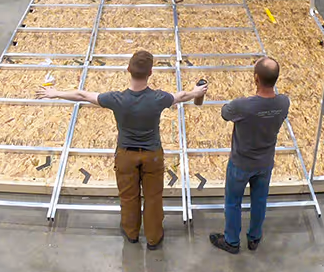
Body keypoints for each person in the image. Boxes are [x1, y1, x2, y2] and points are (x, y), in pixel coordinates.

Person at [38, 50, 206, 250]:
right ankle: (153, 238)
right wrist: (197, 91)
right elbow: (183, 96)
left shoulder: (116, 99)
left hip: (126, 155)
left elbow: (82, 94)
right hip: (152, 155)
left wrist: (55, 93)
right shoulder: (158, 98)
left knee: (128, 196)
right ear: (150, 73)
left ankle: (131, 233)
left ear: (128, 70)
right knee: (153, 198)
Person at [210, 56, 290, 255]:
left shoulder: (242, 106)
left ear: (255, 78)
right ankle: (254, 238)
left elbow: (225, 113)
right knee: (260, 200)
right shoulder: (283, 103)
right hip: (265, 163)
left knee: (233, 201)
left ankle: (231, 241)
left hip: (241, 163)